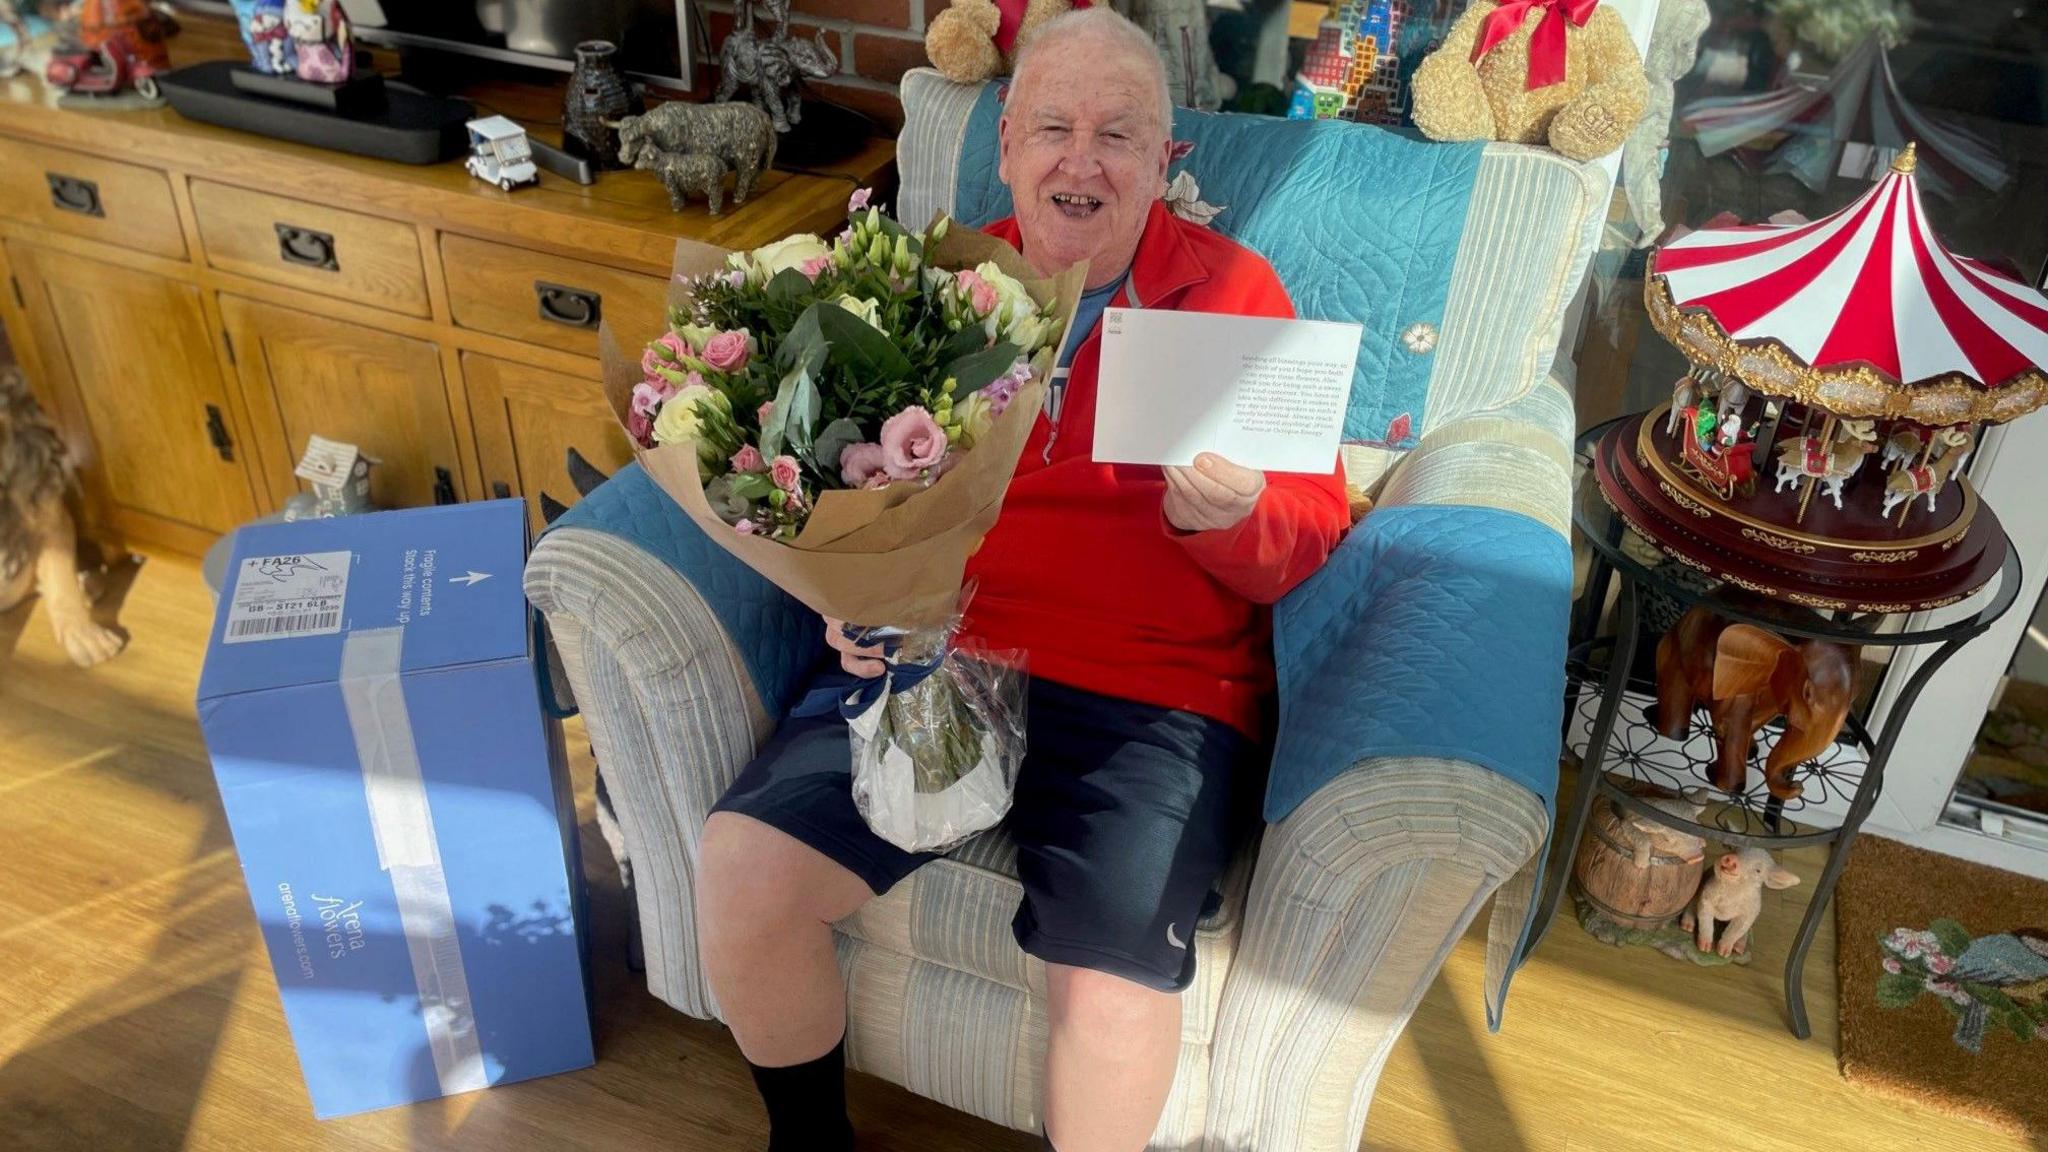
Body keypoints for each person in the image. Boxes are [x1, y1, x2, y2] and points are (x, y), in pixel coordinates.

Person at [696, 9, 1350, 1151]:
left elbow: (1303, 540)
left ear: (1164, 161)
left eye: (1116, 135)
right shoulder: (936, 289)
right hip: (946, 658)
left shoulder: (1238, 296)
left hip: (1155, 691)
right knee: (743, 869)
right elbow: (846, 492)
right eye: (1051, 127)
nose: (1079, 160)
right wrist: (855, 598)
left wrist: (1232, 522)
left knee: (1104, 985)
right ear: (1004, 146)